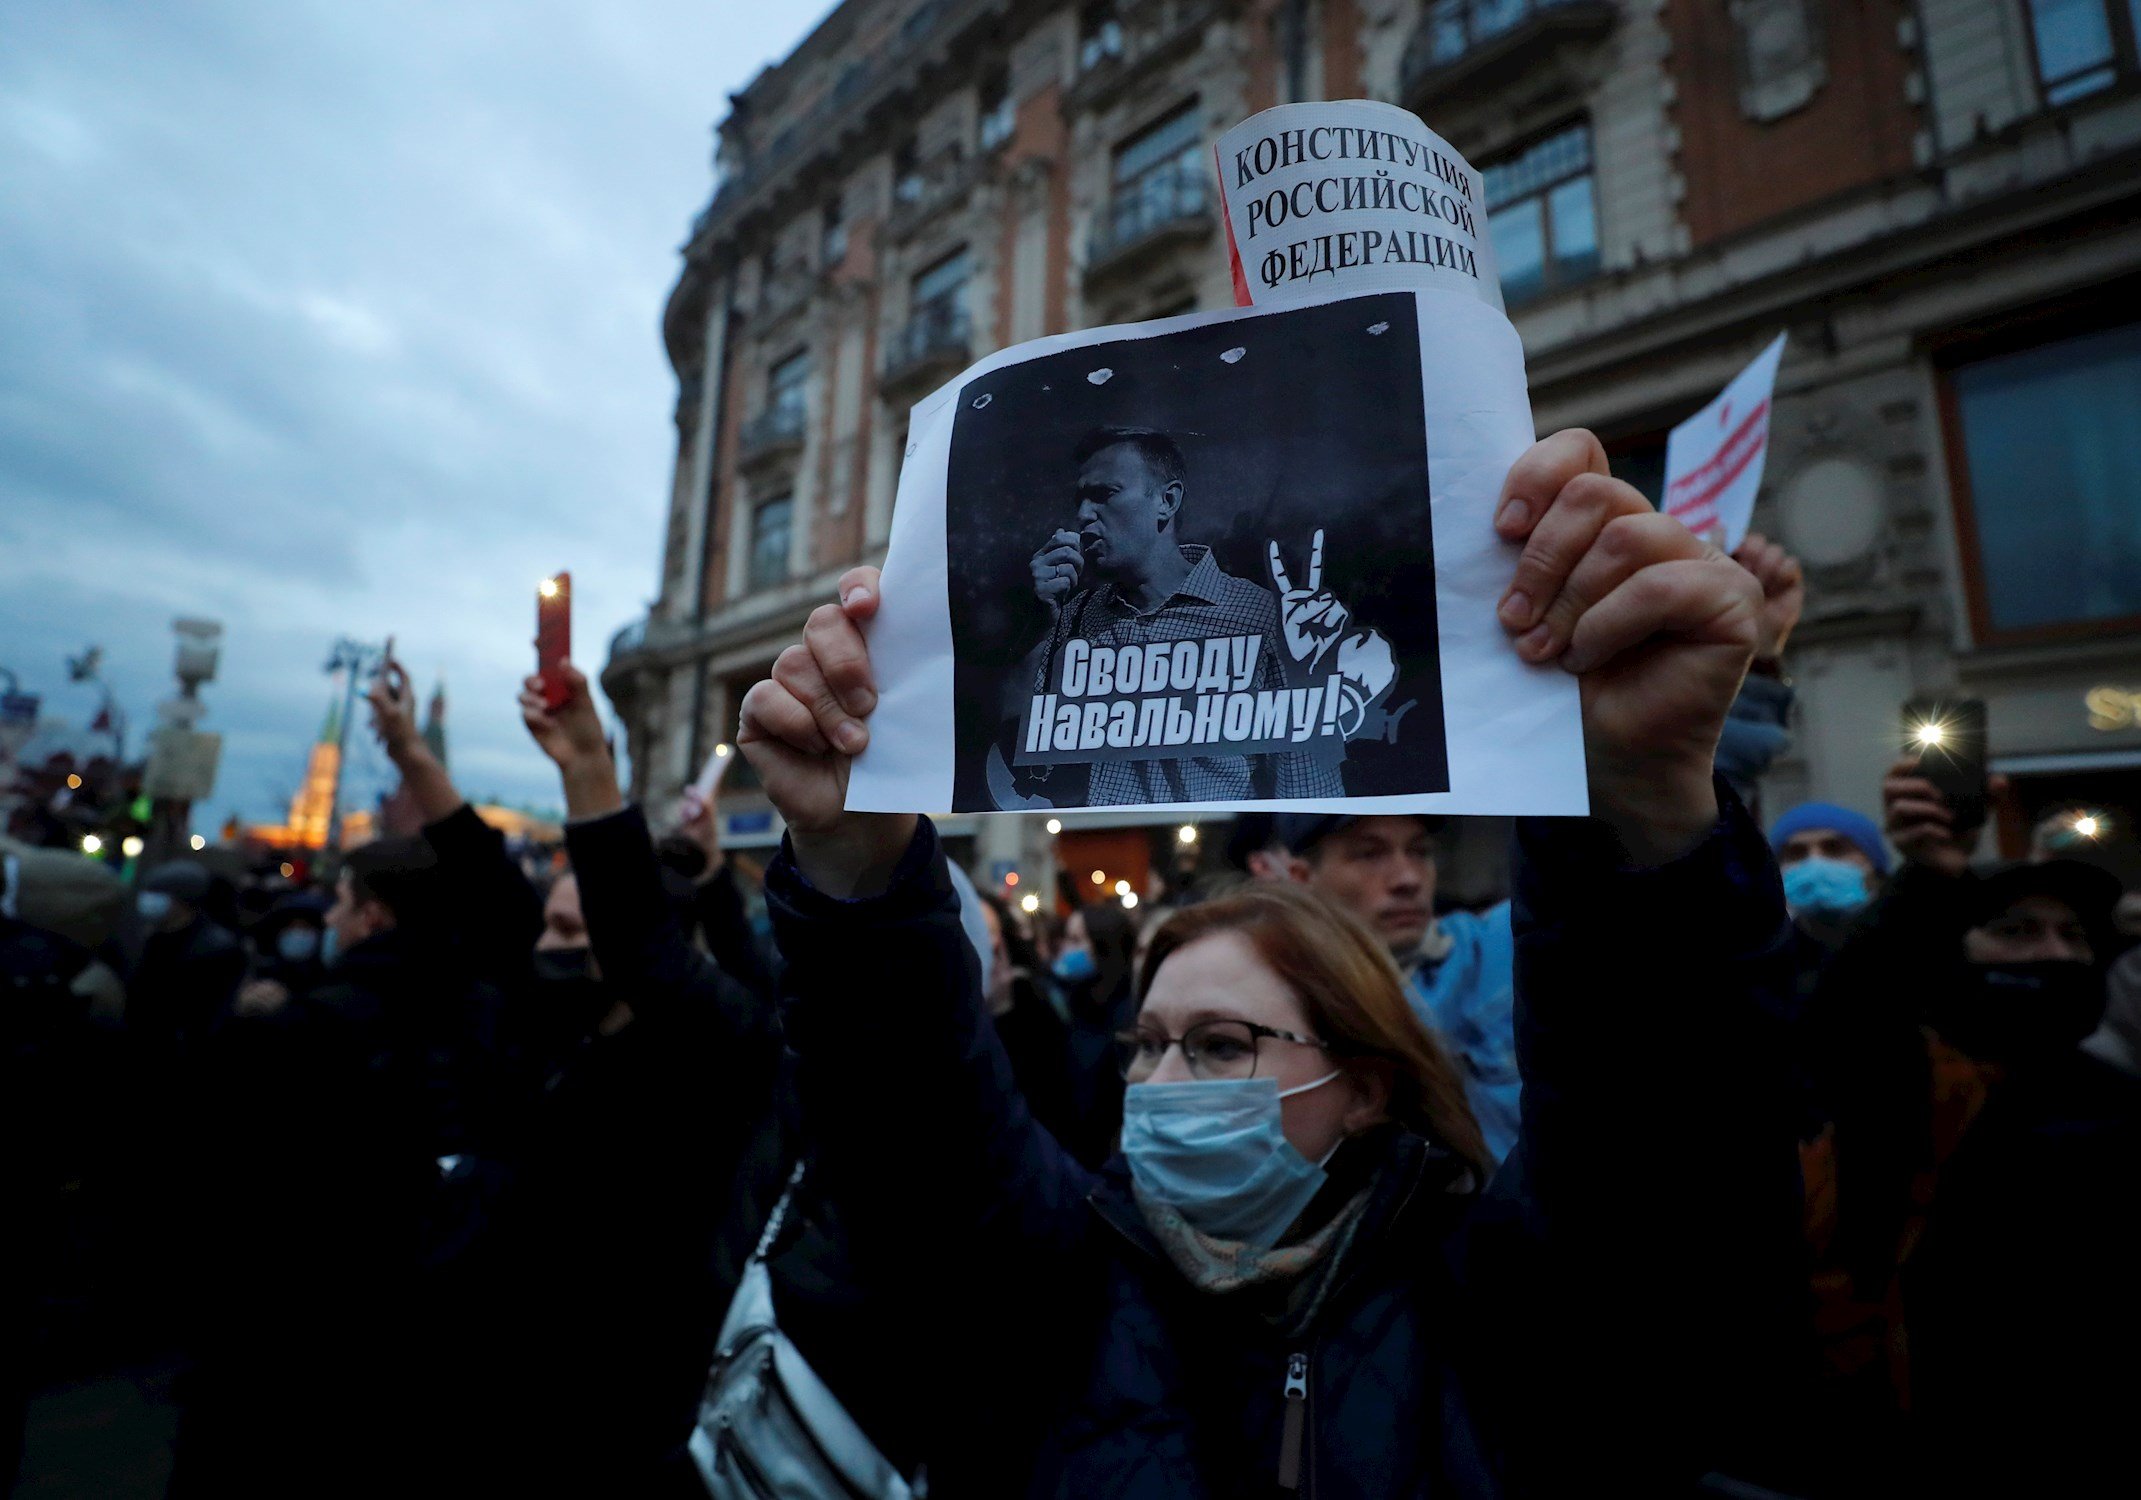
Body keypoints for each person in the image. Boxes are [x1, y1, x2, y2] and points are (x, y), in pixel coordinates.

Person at [738, 429, 1808, 1494]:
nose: (1155, 1089)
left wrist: (1634, 806)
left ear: (1364, 1086)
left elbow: (1658, 1134)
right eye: (1144, 1045)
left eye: (1217, 1045)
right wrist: (854, 857)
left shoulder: (1494, 1296)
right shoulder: (1061, 1284)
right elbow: (910, 1113)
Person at [1800, 752, 2126, 1493]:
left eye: (2071, 936)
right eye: (2015, 932)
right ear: (1954, 958)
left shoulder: (2113, 1089)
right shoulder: (1906, 1083)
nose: (2052, 953)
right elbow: (1850, 1016)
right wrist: (1929, 876)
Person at [1003, 426, 1343, 807]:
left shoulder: (1265, 620)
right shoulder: (1076, 615)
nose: (1083, 515)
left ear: (1166, 501)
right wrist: (1041, 622)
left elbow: (1309, 792)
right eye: (1079, 499)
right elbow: (1012, 740)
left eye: (1104, 495)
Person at [1274, 812, 1521, 1168]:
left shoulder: (1501, 950)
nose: (1408, 879)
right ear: (1301, 878)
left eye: (1420, 852)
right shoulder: (1283, 1007)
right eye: (1369, 854)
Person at [1053, 899, 1142, 1168]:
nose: (1067, 948)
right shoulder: (1076, 1001)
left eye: (1077, 939)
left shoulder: (1127, 1014)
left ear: (1104, 947)